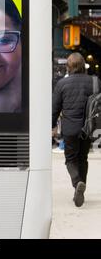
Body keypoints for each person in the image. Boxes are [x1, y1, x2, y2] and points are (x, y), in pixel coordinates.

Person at [52, 52, 101, 207]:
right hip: (88, 127)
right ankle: (80, 190)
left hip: (70, 128)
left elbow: (55, 108)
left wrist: (52, 125)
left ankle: (77, 183)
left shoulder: (61, 84)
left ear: (69, 66)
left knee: (71, 159)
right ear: (83, 66)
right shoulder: (95, 81)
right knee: (83, 159)